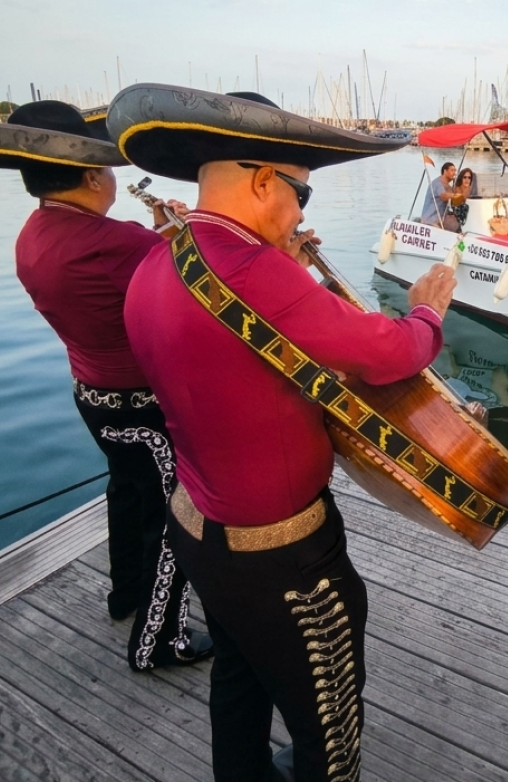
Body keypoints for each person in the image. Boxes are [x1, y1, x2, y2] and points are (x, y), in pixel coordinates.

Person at [110, 86, 456, 782]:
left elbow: (229, 343)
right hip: (283, 559)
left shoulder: (159, 260)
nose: (301, 212)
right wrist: (425, 314)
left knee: (239, 678)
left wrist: (286, 264)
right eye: (301, 194)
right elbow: (391, 353)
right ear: (264, 180)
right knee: (327, 720)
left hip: (202, 526)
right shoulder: (252, 270)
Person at [0, 101, 212, 671]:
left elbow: (122, 274)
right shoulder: (116, 242)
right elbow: (199, 279)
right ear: (92, 174)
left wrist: (162, 233)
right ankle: (159, 639)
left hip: (92, 395)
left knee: (127, 493)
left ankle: (126, 594)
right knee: (176, 513)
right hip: (144, 406)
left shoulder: (37, 233)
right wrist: (188, 231)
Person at [420, 160, 457, 227]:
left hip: (440, 221)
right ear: (445, 171)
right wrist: (454, 195)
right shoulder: (437, 183)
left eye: (455, 171)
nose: (454, 173)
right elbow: (443, 196)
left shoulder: (449, 187)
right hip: (429, 221)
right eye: (452, 170)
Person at [450, 166, 474, 231]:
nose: (467, 180)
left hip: (472, 216)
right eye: (465, 177)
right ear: (461, 178)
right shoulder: (456, 189)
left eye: (469, 178)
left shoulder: (472, 189)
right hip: (458, 217)